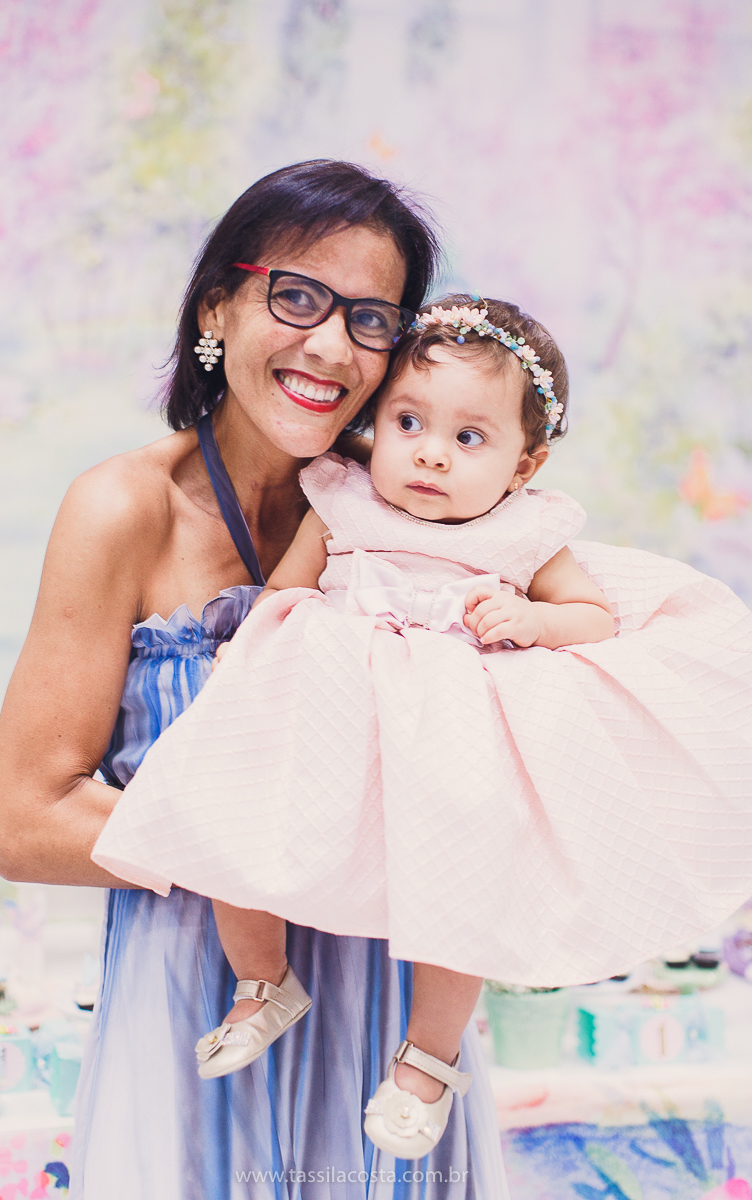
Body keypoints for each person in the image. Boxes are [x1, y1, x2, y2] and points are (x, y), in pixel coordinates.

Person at [93, 294, 752, 1160]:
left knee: (459, 896)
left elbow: (591, 616)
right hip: (328, 716)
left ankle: (428, 1061)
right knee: (232, 829)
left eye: (469, 439)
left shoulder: (524, 534)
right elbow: (286, 594)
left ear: (525, 465)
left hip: (445, 746)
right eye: (409, 421)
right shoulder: (343, 499)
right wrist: (247, 664)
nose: (431, 454)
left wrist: (532, 620)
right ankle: (264, 981)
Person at [0, 162, 511, 1200]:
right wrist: (272, 838)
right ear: (217, 305)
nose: (329, 345)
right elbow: (23, 820)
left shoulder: (415, 511)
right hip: (203, 1013)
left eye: (369, 318)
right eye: (297, 296)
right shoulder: (122, 509)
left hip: (394, 1033)